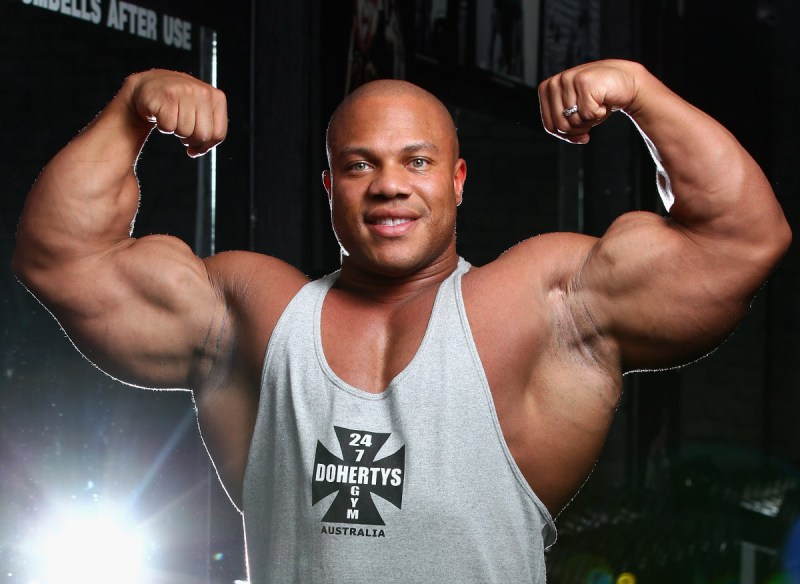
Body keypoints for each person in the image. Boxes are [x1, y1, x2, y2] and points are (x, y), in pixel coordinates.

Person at [12, 60, 791, 582]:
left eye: (416, 161)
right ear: (329, 186)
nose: (388, 185)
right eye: (360, 164)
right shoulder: (255, 313)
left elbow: (742, 239)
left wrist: (641, 92)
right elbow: (62, 258)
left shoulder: (541, 306)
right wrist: (130, 109)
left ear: (456, 180)